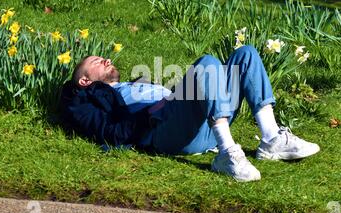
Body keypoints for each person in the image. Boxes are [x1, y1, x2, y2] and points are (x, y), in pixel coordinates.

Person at [60, 45, 320, 182]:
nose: (105, 60)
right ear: (84, 81)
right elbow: (108, 131)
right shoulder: (83, 98)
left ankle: (271, 138)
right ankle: (227, 154)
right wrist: (151, 112)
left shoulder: (135, 83)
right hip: (164, 131)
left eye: (104, 58)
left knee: (246, 54)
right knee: (207, 63)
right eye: (96, 62)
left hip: (200, 121)